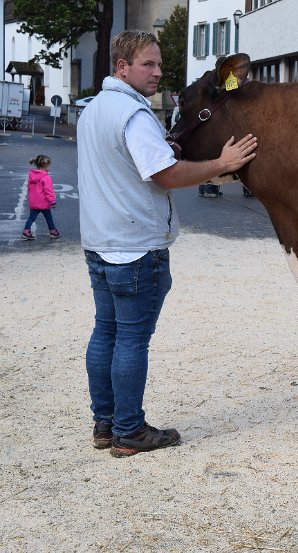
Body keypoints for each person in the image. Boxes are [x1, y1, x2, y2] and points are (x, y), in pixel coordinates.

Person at [77, 30, 257, 457]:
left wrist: (165, 148)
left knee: (106, 333)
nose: (158, 72)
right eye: (148, 65)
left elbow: (129, 161)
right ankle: (130, 431)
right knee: (132, 340)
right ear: (123, 68)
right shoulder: (134, 116)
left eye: (159, 64)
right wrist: (222, 163)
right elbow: (167, 176)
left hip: (99, 242)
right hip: (136, 247)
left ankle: (105, 423)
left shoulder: (95, 109)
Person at [21, 154, 60, 240]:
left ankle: (26, 231)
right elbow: (48, 191)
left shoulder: (32, 176)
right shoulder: (46, 178)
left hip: (34, 202)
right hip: (44, 203)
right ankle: (53, 231)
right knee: (49, 217)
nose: (49, 167)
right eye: (49, 165)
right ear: (45, 166)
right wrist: (52, 201)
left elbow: (30, 188)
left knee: (31, 218)